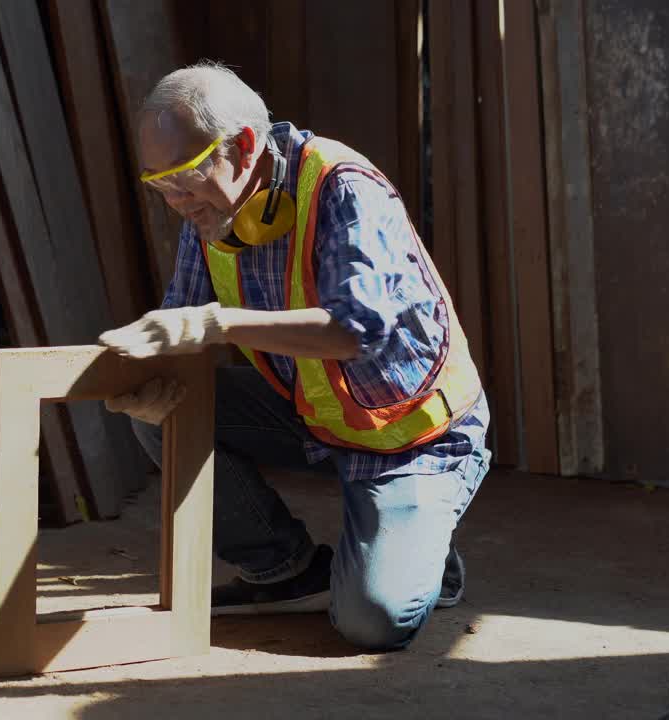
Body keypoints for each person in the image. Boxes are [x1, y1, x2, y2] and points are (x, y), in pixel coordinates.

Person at [97, 62, 491, 651]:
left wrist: (218, 323)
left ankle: (428, 543)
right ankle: (283, 566)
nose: (174, 200)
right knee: (166, 414)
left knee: (372, 622)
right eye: (157, 183)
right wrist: (153, 393)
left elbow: (354, 330)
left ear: (246, 146)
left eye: (181, 175)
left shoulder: (344, 187)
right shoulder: (208, 210)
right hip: (312, 407)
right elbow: (180, 333)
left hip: (410, 434)